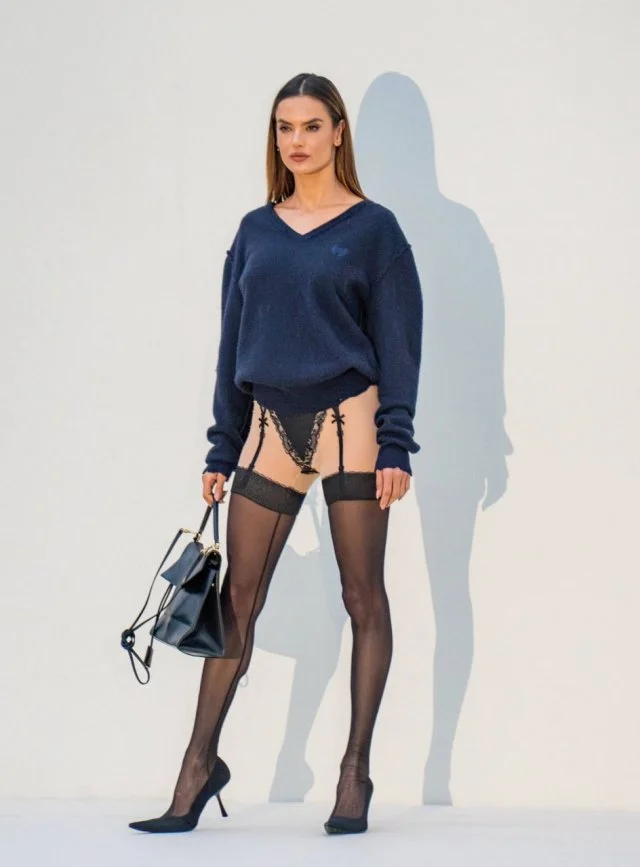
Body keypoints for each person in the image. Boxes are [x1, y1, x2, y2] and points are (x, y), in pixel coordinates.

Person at [129, 72, 423, 836]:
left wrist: (396, 441)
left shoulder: (375, 229)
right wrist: (221, 446)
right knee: (238, 600)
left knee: (362, 596)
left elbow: (399, 343)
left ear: (338, 132)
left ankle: (354, 771)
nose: (297, 139)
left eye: (311, 125)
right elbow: (233, 346)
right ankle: (197, 767)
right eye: (284, 127)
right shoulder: (255, 231)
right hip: (268, 425)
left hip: (351, 417)